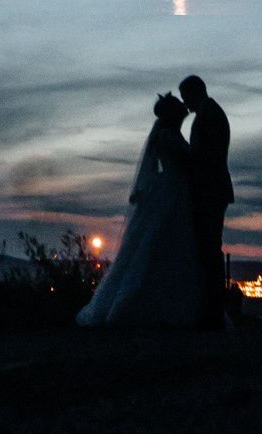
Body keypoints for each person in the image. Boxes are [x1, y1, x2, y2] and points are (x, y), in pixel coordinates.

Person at [76, 92, 204, 329]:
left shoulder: (166, 134)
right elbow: (188, 161)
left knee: (164, 245)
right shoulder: (168, 136)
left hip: (172, 190)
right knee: (163, 243)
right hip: (173, 191)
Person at [178, 74, 233, 332]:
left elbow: (203, 156)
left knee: (209, 251)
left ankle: (213, 312)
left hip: (210, 190)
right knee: (208, 250)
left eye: (185, 96)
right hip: (211, 189)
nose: (184, 103)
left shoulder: (209, 115)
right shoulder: (211, 113)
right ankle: (212, 309)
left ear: (196, 91)